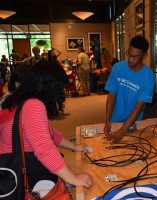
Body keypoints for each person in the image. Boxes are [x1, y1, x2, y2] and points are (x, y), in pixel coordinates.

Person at [0, 61, 93, 195]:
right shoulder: (33, 105)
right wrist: (73, 178)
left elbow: (49, 132)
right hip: (22, 170)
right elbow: (44, 148)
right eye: (60, 88)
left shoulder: (20, 100)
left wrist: (73, 146)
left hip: (11, 164)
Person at [104, 36, 155, 143]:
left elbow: (139, 106)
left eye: (136, 57)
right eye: (129, 54)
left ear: (144, 56)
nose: (131, 59)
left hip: (134, 122)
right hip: (115, 119)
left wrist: (123, 129)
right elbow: (111, 95)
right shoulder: (117, 67)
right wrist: (107, 120)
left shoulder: (148, 76)